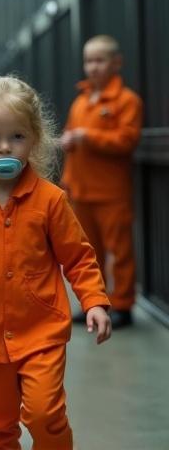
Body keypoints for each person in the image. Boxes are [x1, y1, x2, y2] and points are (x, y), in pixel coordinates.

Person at [0, 76, 112, 449]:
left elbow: (78, 257)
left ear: (35, 138)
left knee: (45, 415)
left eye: (16, 136)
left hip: (41, 332)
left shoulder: (50, 200)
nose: (4, 148)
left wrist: (93, 300)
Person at [61, 35, 143, 329]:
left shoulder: (127, 101)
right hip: (81, 190)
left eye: (99, 60)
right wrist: (69, 143)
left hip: (111, 191)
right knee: (87, 253)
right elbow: (72, 136)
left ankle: (122, 305)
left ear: (116, 63)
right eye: (88, 61)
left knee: (119, 252)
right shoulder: (81, 102)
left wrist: (86, 136)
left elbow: (127, 140)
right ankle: (94, 302)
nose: (92, 67)